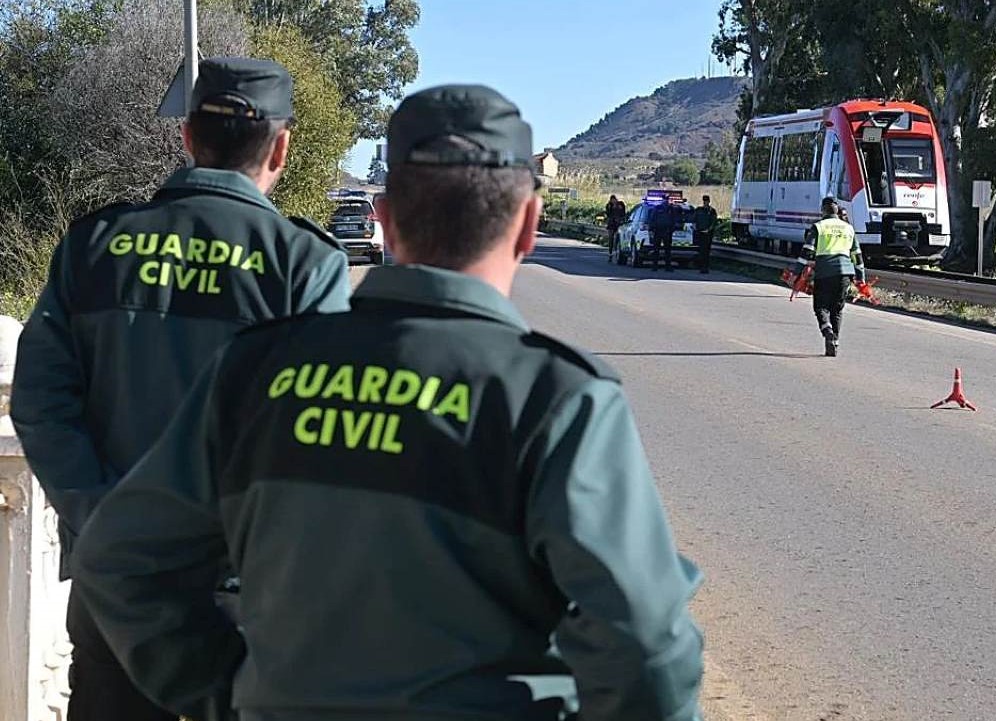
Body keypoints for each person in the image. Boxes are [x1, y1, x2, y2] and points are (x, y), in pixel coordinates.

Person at [71, 84, 705, 721]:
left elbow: (120, 559)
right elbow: (646, 648)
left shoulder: (255, 370)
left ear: (384, 216)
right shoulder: (556, 400)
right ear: (529, 226)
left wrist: (225, 691)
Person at [10, 57, 349, 721]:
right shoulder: (303, 264)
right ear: (281, 147)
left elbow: (40, 402)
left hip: (112, 592)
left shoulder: (94, 246)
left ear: (187, 137)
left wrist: (109, 528)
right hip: (245, 599)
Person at [804, 196, 865, 357]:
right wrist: (861, 279)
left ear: (822, 210)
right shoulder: (848, 228)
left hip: (824, 273)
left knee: (821, 307)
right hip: (845, 273)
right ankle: (834, 342)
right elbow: (857, 256)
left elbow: (807, 252)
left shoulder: (818, 227)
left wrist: (798, 272)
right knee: (837, 310)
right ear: (837, 210)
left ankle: (827, 330)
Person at [648, 194, 677, 271]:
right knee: (656, 249)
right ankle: (655, 266)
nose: (666, 200)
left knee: (667, 250)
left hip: (667, 231)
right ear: (662, 199)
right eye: (665, 199)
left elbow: (674, 220)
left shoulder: (671, 209)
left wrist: (672, 229)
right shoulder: (657, 208)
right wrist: (652, 229)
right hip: (658, 231)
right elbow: (652, 219)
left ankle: (667, 266)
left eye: (667, 199)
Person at [692, 195, 718, 274]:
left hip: (708, 234)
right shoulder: (699, 210)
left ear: (709, 201)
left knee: (706, 251)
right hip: (700, 233)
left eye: (707, 201)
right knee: (702, 251)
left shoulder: (712, 211)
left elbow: (713, 222)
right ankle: (701, 266)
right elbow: (694, 220)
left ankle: (705, 267)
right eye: (705, 201)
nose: (706, 202)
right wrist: (695, 228)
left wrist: (708, 230)